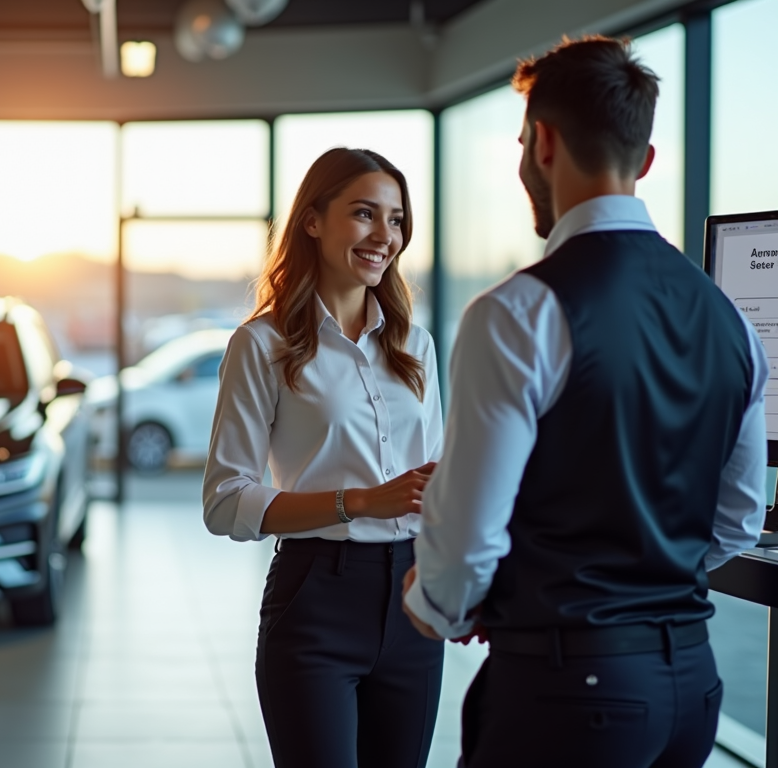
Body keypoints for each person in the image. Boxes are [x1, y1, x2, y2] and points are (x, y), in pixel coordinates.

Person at [402, 36, 768, 768]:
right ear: (647, 161)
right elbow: (736, 519)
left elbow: (470, 537)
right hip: (691, 690)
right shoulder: (730, 320)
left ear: (541, 142)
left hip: (568, 693)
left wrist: (436, 603)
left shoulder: (518, 312)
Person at [203, 147, 445, 768]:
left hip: (414, 598)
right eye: (364, 214)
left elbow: (436, 477)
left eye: (395, 220)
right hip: (316, 601)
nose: (384, 236)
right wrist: (360, 502)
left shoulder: (415, 345)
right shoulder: (262, 344)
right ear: (313, 220)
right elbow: (226, 501)